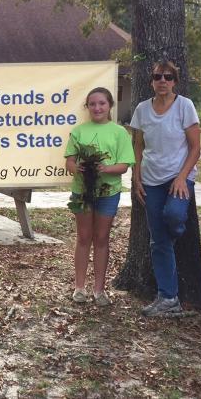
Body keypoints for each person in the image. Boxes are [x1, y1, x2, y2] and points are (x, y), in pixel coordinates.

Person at [130, 61, 201, 317]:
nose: (163, 80)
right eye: (158, 76)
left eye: (168, 77)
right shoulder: (141, 109)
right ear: (151, 80)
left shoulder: (185, 106)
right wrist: (136, 177)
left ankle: (176, 233)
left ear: (175, 81)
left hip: (177, 177)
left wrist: (182, 178)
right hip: (150, 179)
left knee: (173, 216)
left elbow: (195, 148)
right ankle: (168, 298)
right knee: (157, 241)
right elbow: (137, 145)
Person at [64, 87, 134, 306]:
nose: (97, 107)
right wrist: (79, 169)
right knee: (84, 237)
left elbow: (124, 166)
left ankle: (99, 289)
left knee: (102, 238)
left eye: (102, 103)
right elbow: (69, 163)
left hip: (108, 193)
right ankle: (79, 287)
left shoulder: (119, 132)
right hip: (83, 192)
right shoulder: (79, 131)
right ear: (87, 107)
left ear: (110, 105)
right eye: (92, 104)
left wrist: (105, 169)